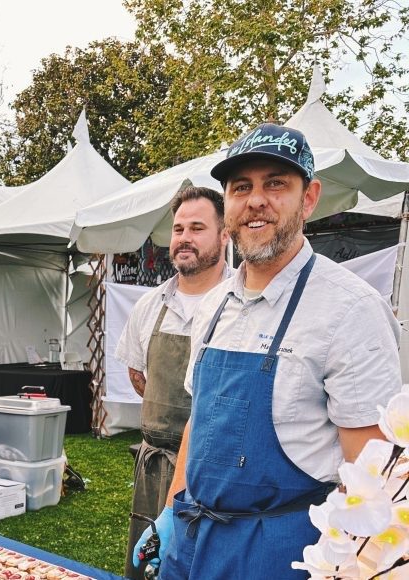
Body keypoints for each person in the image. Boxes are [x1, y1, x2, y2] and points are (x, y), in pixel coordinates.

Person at [134, 123, 402, 579]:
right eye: (241, 187)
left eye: (276, 183)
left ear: (309, 198)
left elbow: (372, 472)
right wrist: (170, 513)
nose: (256, 200)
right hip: (192, 540)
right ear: (228, 205)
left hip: (282, 553)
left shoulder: (351, 310)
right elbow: (199, 421)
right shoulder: (214, 305)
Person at [115, 186, 232, 580]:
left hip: (212, 470)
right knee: (146, 563)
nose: (184, 238)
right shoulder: (150, 305)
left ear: (225, 234)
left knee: (199, 565)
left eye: (197, 228)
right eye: (178, 229)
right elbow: (138, 375)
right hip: (153, 466)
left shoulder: (241, 303)